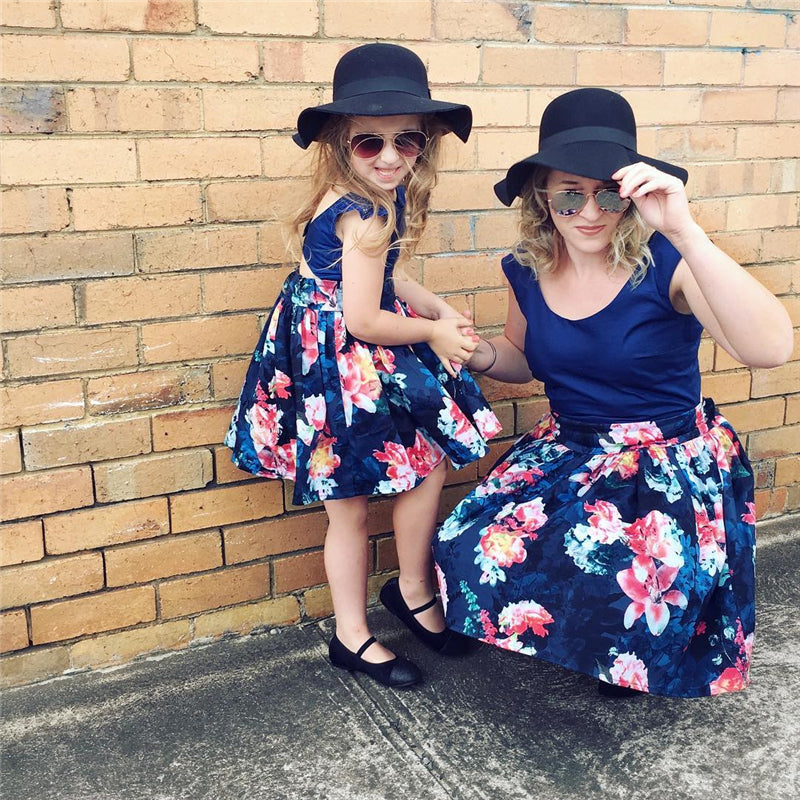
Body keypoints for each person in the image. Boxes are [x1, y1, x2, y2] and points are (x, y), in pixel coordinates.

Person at [432, 88, 793, 698]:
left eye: (609, 192)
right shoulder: (526, 268)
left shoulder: (668, 265)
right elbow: (524, 358)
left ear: (631, 194)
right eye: (570, 193)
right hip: (569, 447)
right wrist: (481, 353)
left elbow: (769, 348)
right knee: (464, 546)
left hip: (665, 462)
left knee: (629, 587)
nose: (590, 211)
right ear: (543, 198)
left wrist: (685, 230)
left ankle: (626, 650)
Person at [225, 43, 501, 689]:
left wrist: (436, 306)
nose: (389, 156)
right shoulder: (364, 209)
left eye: (406, 141)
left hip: (351, 357)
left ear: (424, 146)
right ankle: (353, 634)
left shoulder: (379, 197)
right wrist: (433, 331)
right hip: (340, 364)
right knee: (348, 505)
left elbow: (387, 273)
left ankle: (412, 590)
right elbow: (365, 319)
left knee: (423, 464)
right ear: (339, 146)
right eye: (368, 143)